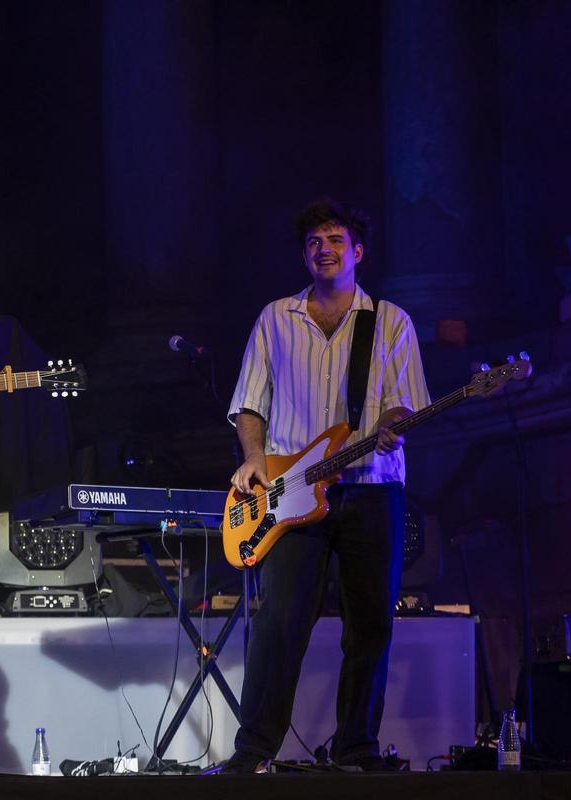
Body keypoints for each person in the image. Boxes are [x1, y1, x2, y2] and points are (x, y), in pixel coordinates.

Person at [223, 198, 430, 773]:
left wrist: (392, 425)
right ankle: (253, 751)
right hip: (291, 495)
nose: (324, 249)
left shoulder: (390, 322)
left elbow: (404, 402)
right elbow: (248, 403)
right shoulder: (274, 318)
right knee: (279, 620)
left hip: (372, 488)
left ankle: (356, 749)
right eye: (315, 241)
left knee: (370, 623)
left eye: (336, 239)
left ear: (357, 252)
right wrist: (255, 458)